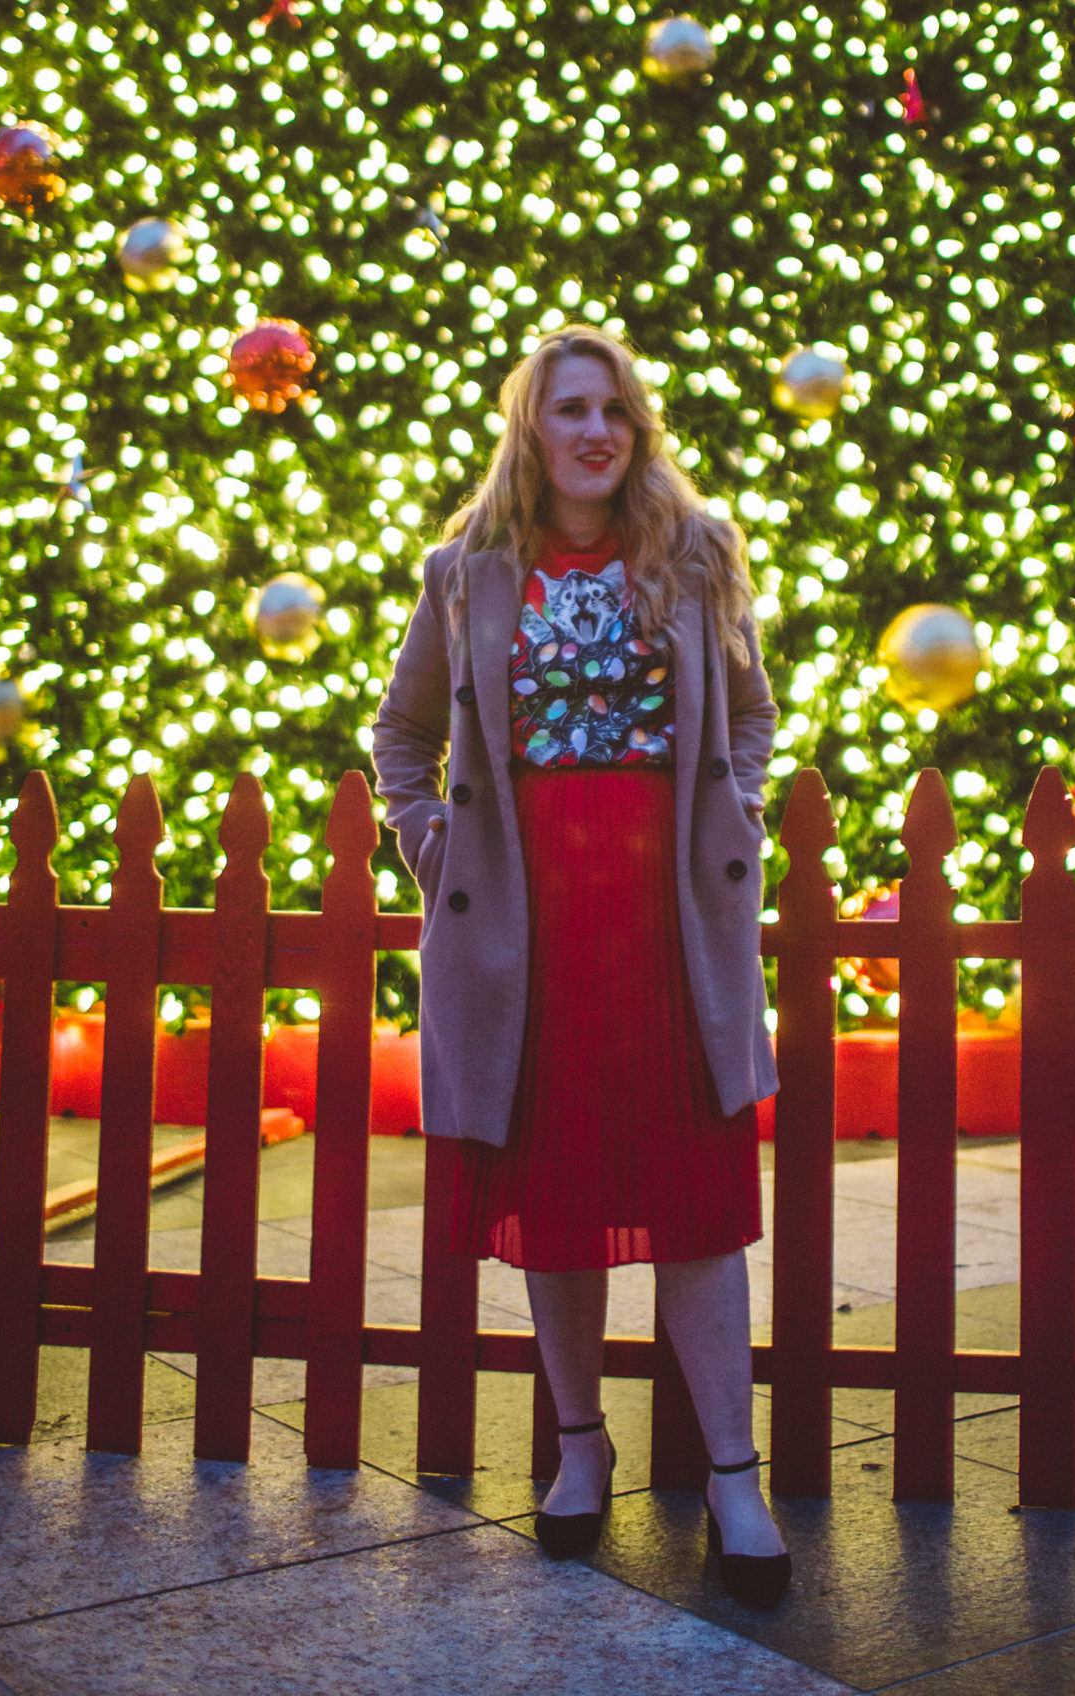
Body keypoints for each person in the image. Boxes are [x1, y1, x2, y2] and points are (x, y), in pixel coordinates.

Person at [369, 322, 791, 1607]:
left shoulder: (700, 556)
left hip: (668, 930)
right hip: (523, 934)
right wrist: (429, 839)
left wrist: (737, 810)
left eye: (613, 408)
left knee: (695, 1203)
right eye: (570, 411)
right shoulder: (468, 572)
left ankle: (732, 1474)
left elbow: (752, 712)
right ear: (531, 431)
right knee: (553, 1196)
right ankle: (578, 1448)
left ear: (638, 426)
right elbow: (404, 731)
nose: (595, 431)